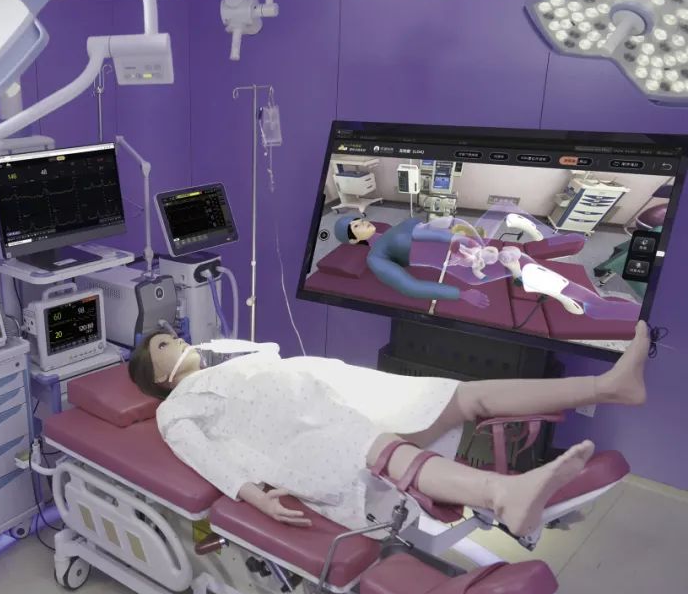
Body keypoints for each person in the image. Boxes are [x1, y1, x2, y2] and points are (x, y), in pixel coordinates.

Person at [127, 322, 650, 536]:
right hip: (299, 437)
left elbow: (269, 350)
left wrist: (214, 348)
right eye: (164, 345)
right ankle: (503, 494)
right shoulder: (174, 409)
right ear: (157, 376)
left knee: (463, 395)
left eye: (173, 334)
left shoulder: (223, 360)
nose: (177, 338)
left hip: (334, 389)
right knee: (379, 447)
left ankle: (609, 386)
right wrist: (254, 496)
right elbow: (204, 456)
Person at [336, 214, 491, 308]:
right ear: (353, 240)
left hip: (454, 248)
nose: (364, 223)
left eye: (361, 220)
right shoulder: (375, 257)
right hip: (450, 259)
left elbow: (425, 233)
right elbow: (410, 287)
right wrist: (462, 294)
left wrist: (460, 239)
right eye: (357, 226)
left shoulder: (391, 230)